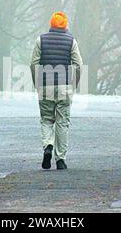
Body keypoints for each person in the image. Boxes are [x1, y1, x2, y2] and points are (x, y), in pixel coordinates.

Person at [30, 12, 83, 170]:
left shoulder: (41, 40)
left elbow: (33, 64)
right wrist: (74, 84)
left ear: (51, 24)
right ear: (65, 25)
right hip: (64, 88)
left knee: (46, 119)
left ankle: (48, 146)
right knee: (62, 122)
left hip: (45, 86)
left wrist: (37, 83)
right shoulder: (71, 41)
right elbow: (79, 64)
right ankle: (60, 159)